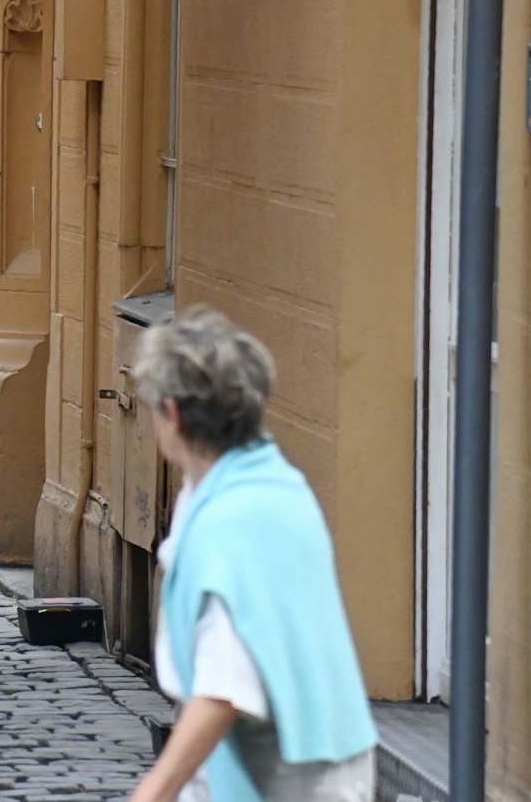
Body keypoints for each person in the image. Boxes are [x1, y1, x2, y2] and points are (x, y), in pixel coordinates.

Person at [125, 307, 377, 802]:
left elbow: (224, 688)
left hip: (288, 774)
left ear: (172, 415)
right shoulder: (257, 481)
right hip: (304, 754)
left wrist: (152, 792)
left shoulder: (234, 519)